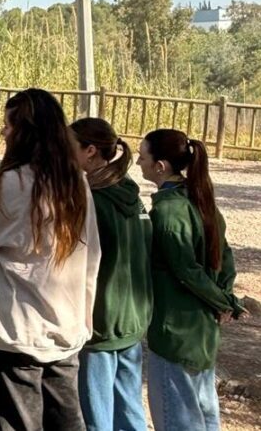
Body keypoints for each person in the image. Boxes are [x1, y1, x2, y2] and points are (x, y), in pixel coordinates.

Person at [0, 88, 100, 431]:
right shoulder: (76, 183)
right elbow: (92, 256)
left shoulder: (11, 185)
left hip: (15, 333)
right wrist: (83, 319)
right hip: (64, 329)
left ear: (23, 132)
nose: (3, 133)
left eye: (8, 126)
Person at [138, 129, 242, 430]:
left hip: (176, 331)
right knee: (205, 410)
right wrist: (225, 299)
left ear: (161, 166)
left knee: (178, 417)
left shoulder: (168, 213)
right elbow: (226, 257)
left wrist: (225, 302)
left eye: (143, 156)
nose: (138, 162)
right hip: (203, 331)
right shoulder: (201, 200)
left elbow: (187, 272)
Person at [70, 119, 152, 431]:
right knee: (130, 411)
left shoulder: (92, 201)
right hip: (132, 319)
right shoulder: (131, 195)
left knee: (97, 417)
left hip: (101, 322)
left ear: (90, 151)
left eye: (69, 145)